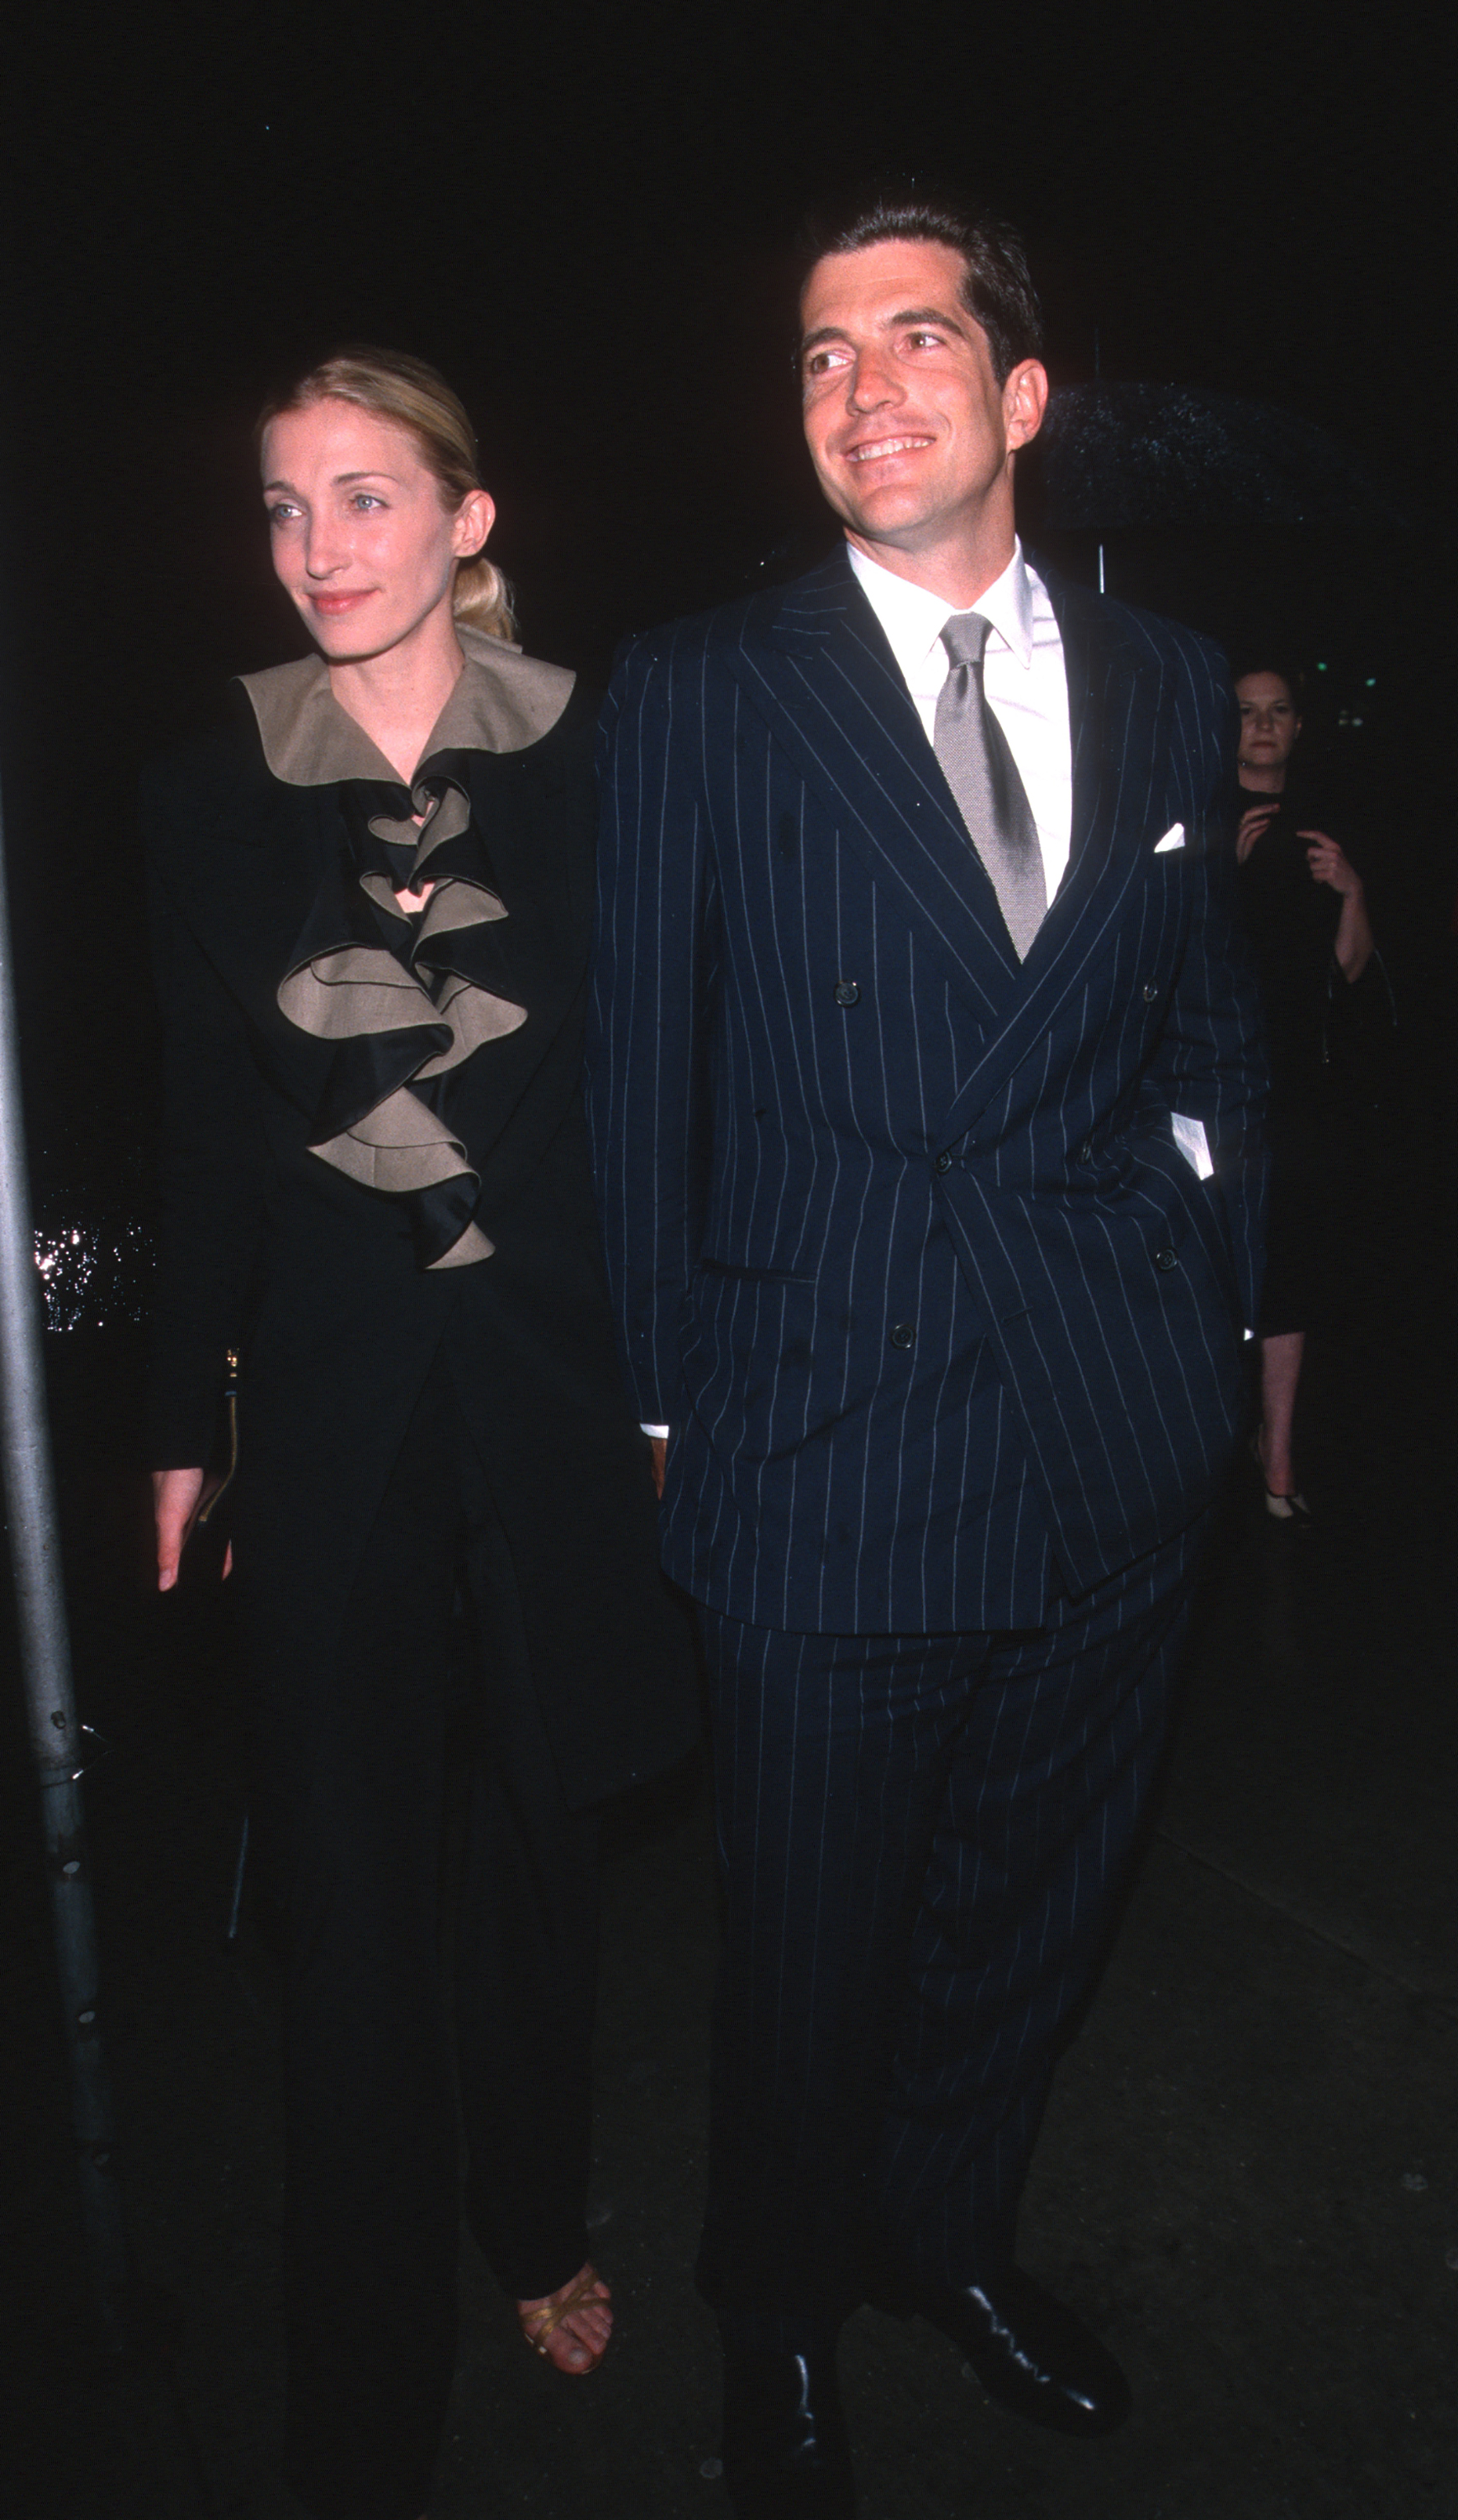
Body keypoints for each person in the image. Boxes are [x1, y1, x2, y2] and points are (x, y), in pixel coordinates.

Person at [587, 191, 1266, 2517]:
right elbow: (635, 1090)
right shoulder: (696, 691)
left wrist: (1224, 1324)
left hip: (1110, 1437)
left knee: (1028, 1911)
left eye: (914, 339)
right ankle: (776, 2311)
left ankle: (945, 2238)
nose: (863, 389)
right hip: (830, 1448)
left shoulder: (1173, 683)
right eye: (816, 356)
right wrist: (680, 1415)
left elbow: (1216, 1038)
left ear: (1022, 393)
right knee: (809, 1954)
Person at [145, 347, 695, 2520]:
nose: (320, 550)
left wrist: (677, 1383)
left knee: (540, 1862)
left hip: (565, 1405)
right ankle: (360, 2388)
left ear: (469, 518)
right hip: (342, 1403)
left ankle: (534, 2215)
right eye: (285, 508)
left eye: (366, 499)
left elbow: (669, 1088)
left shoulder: (611, 757)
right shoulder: (199, 787)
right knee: (357, 1914)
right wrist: (186, 1410)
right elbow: (203, 1132)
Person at [1233, 666, 1381, 1520]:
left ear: (1295, 729)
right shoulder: (1202, 820)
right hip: (1213, 1083)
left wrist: (1350, 888)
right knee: (1218, 1264)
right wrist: (1225, 869)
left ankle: (1277, 1452)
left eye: (1276, 712)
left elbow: (1348, 971)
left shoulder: (1319, 832)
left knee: (1289, 1259)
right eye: (1247, 713)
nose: (1262, 726)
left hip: (1295, 1085)